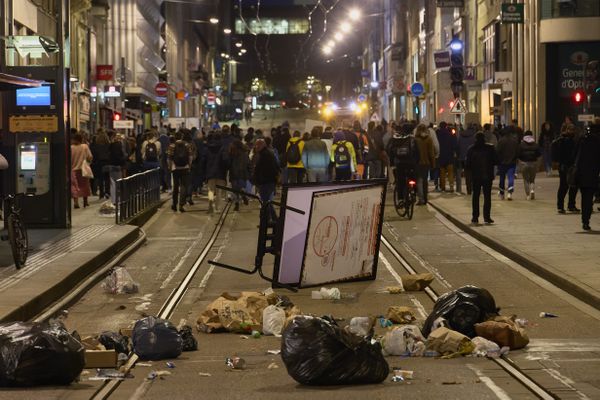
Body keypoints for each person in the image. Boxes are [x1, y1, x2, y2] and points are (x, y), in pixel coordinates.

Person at [573, 119, 600, 230]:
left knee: (585, 197)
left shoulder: (582, 139)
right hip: (593, 173)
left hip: (581, 172)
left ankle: (584, 220)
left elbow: (574, 155)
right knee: (589, 197)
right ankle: (586, 219)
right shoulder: (598, 141)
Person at [465, 132, 497, 224]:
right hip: (487, 175)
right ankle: (487, 217)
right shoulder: (490, 148)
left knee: (476, 196)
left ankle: (475, 217)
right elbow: (496, 160)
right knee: (487, 197)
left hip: (476, 176)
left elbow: (467, 164)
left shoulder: (471, 149)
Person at [386, 124, 419, 205]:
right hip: (411, 163)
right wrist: (416, 162)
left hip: (399, 163)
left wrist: (392, 163)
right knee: (413, 178)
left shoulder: (395, 138)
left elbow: (389, 150)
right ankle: (414, 193)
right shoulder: (412, 139)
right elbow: (418, 152)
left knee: (400, 181)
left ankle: (400, 199)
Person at [552, 124, 579, 213]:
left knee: (570, 186)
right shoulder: (564, 140)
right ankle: (564, 206)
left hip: (567, 166)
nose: (572, 131)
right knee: (566, 186)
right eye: (570, 129)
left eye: (573, 130)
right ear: (567, 130)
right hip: (566, 166)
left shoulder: (565, 140)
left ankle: (567, 205)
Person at [252, 139, 280, 221]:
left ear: (262, 145)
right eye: (256, 145)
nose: (256, 147)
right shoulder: (266, 153)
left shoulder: (265, 155)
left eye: (258, 145)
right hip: (268, 181)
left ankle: (269, 219)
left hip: (266, 182)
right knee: (266, 201)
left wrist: (258, 179)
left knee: (266, 202)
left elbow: (262, 169)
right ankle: (271, 219)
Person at [167, 131, 193, 212]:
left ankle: (174, 204)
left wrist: (170, 167)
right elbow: (190, 156)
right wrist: (189, 165)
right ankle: (181, 205)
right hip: (185, 168)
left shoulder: (172, 145)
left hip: (175, 169)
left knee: (175, 186)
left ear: (175, 137)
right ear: (182, 137)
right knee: (183, 186)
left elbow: (169, 158)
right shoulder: (187, 145)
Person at [204, 133, 227, 214]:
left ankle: (210, 206)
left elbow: (204, 160)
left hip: (210, 172)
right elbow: (225, 160)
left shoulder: (208, 148)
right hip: (220, 173)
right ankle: (217, 208)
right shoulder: (223, 148)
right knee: (219, 192)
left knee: (210, 190)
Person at [414, 124, 436, 205]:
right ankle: (425, 198)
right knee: (425, 181)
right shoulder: (429, 139)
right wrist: (433, 164)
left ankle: (421, 199)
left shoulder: (415, 139)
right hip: (426, 163)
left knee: (419, 181)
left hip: (418, 163)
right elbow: (431, 153)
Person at [70, 132, 93, 209]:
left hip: (73, 169)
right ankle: (85, 202)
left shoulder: (71, 148)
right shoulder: (85, 146)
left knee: (74, 186)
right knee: (85, 185)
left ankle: (76, 202)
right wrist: (88, 162)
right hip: (83, 169)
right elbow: (90, 157)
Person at [517, 131, 542, 200]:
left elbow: (518, 155)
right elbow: (539, 155)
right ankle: (532, 190)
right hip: (533, 163)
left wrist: (519, 163)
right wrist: (538, 165)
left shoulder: (521, 145)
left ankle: (528, 195)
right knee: (532, 179)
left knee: (526, 180)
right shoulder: (535, 144)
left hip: (524, 163)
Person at [496, 129, 519, 200]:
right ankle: (509, 192)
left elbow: (497, 151)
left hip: (502, 162)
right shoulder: (514, 141)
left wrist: (498, 160)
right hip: (512, 162)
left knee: (502, 178)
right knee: (511, 177)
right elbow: (517, 151)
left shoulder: (501, 141)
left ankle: (502, 193)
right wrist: (515, 158)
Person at [229, 138, 250, 211]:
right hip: (242, 174)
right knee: (240, 188)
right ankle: (243, 196)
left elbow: (229, 163)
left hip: (234, 174)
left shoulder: (231, 153)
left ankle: (237, 203)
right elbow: (248, 164)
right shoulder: (244, 154)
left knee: (235, 190)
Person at [436, 122, 457, 192]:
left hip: (441, 156)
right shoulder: (450, 134)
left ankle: (443, 187)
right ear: (446, 126)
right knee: (450, 172)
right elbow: (454, 144)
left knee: (442, 172)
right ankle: (451, 187)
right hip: (449, 155)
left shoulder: (437, 134)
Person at [90, 129, 111, 199]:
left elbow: (94, 155)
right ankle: (107, 192)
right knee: (107, 178)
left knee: (100, 179)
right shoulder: (109, 145)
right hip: (107, 162)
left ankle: (101, 193)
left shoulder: (96, 146)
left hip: (99, 163)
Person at [456, 123, 476, 194]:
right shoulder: (474, 137)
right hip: (472, 158)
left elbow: (457, 146)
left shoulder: (461, 136)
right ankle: (473, 188)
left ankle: (468, 190)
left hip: (462, 157)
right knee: (473, 173)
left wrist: (458, 155)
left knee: (465, 174)